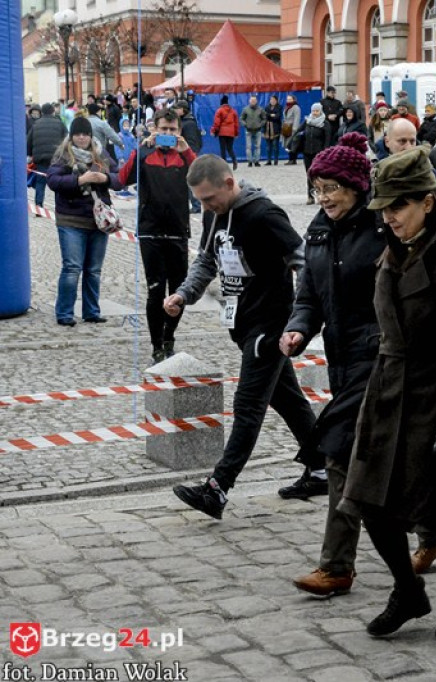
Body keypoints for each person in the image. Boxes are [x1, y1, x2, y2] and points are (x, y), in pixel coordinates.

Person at [341, 147, 436, 639]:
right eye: (384, 208)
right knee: (367, 498)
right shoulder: (393, 244)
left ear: (428, 201)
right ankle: (408, 591)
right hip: (388, 390)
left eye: (399, 207)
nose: (389, 217)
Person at [167, 155, 318, 519]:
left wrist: (299, 318)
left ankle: (217, 489)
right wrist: (183, 295)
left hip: (270, 327)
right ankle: (324, 466)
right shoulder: (213, 214)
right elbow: (207, 260)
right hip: (244, 323)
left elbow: (304, 261)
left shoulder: (265, 215)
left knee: (248, 406)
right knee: (289, 401)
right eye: (200, 200)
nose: (205, 206)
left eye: (209, 198)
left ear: (230, 183)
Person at [281, 135, 380, 598]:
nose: (323, 198)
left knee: (339, 451)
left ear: (356, 185)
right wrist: (299, 329)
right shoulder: (318, 230)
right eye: (317, 188)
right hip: (342, 359)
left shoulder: (383, 227)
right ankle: (435, 534)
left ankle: (337, 566)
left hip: (381, 358)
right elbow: (309, 295)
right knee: (384, 461)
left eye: (331, 188)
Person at [118, 107, 197, 364]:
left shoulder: (184, 155)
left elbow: (204, 178)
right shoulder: (145, 153)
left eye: (172, 130)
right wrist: (141, 149)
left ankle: (169, 337)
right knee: (155, 292)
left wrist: (185, 149)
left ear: (179, 131)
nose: (167, 134)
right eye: (163, 129)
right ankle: (156, 346)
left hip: (177, 232)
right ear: (155, 128)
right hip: (151, 232)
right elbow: (122, 179)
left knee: (178, 292)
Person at [46, 116, 123, 327]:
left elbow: (119, 178)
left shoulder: (101, 154)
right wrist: (80, 180)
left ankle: (91, 311)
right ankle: (64, 313)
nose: (82, 138)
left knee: (94, 270)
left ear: (91, 136)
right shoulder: (63, 155)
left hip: (98, 221)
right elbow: (52, 181)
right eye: (78, 134)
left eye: (85, 134)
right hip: (70, 220)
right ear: (72, 136)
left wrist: (105, 179)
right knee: (72, 268)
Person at [27, 102, 67, 207]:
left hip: (40, 159)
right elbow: (66, 139)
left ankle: (38, 205)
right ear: (53, 111)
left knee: (40, 182)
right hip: (56, 158)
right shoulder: (59, 123)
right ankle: (59, 205)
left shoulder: (36, 124)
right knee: (57, 181)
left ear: (42, 112)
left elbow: (29, 141)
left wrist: (30, 154)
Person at [295, 102, 332, 204]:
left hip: (319, 153)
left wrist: (325, 152)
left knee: (319, 176)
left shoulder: (325, 123)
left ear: (320, 111)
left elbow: (327, 139)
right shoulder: (307, 121)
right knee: (309, 174)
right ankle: (310, 196)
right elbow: (298, 132)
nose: (315, 113)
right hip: (307, 152)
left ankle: (321, 195)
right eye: (313, 111)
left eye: (317, 111)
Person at [172, 99, 203, 213]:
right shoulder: (187, 121)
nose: (175, 110)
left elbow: (193, 141)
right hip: (187, 153)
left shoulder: (188, 123)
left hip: (188, 153)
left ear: (182, 110)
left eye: (176, 108)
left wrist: (190, 153)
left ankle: (196, 205)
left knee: (189, 180)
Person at [212, 95, 239, 170]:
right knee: (230, 148)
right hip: (231, 133)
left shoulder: (219, 110)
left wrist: (214, 131)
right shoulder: (233, 111)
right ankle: (234, 160)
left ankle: (224, 166)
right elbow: (236, 124)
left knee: (223, 149)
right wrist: (236, 133)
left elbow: (216, 123)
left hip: (222, 133)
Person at [241, 96, 267, 167]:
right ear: (249, 101)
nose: (253, 102)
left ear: (256, 101)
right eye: (251, 100)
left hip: (258, 131)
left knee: (257, 146)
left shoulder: (260, 109)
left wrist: (260, 125)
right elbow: (241, 118)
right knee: (248, 147)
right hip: (248, 131)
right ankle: (249, 161)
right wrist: (245, 125)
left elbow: (264, 119)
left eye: (254, 100)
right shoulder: (245, 109)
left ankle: (256, 161)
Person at [282, 96, 302, 165]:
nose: (288, 100)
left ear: (294, 100)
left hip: (293, 128)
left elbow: (297, 118)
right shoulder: (286, 107)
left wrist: (295, 129)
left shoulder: (296, 107)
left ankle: (292, 159)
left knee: (292, 144)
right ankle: (291, 159)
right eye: (287, 99)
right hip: (286, 128)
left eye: (290, 99)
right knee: (287, 144)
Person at [264, 95, 283, 166]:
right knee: (268, 147)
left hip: (276, 129)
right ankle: (268, 160)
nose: (272, 101)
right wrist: (271, 115)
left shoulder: (279, 107)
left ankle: (276, 160)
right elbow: (265, 116)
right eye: (271, 100)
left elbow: (277, 117)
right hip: (267, 129)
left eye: (273, 100)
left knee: (275, 146)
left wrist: (271, 116)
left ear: (276, 100)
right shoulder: (266, 107)